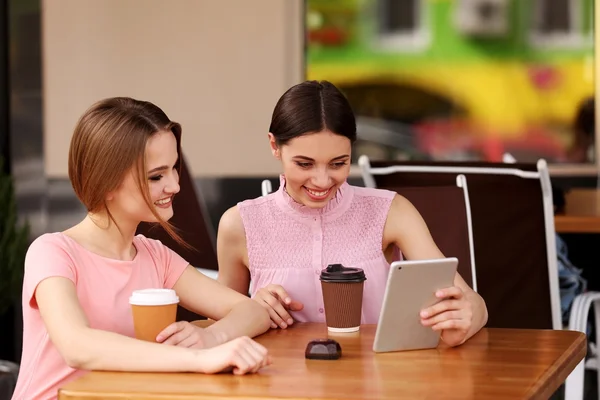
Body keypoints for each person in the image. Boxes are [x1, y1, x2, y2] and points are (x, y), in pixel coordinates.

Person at [12, 97, 271, 400]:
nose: (174, 185)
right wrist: (199, 360)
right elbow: (77, 346)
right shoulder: (52, 252)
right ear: (105, 180)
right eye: (156, 176)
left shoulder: (155, 256)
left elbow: (252, 311)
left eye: (175, 169)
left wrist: (210, 337)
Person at [217, 80, 488, 347]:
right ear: (274, 146)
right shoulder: (240, 225)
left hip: (373, 384)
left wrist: (465, 319)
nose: (322, 181)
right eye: (304, 164)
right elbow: (217, 321)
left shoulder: (391, 212)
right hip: (279, 384)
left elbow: (473, 303)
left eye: (338, 163)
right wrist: (250, 309)